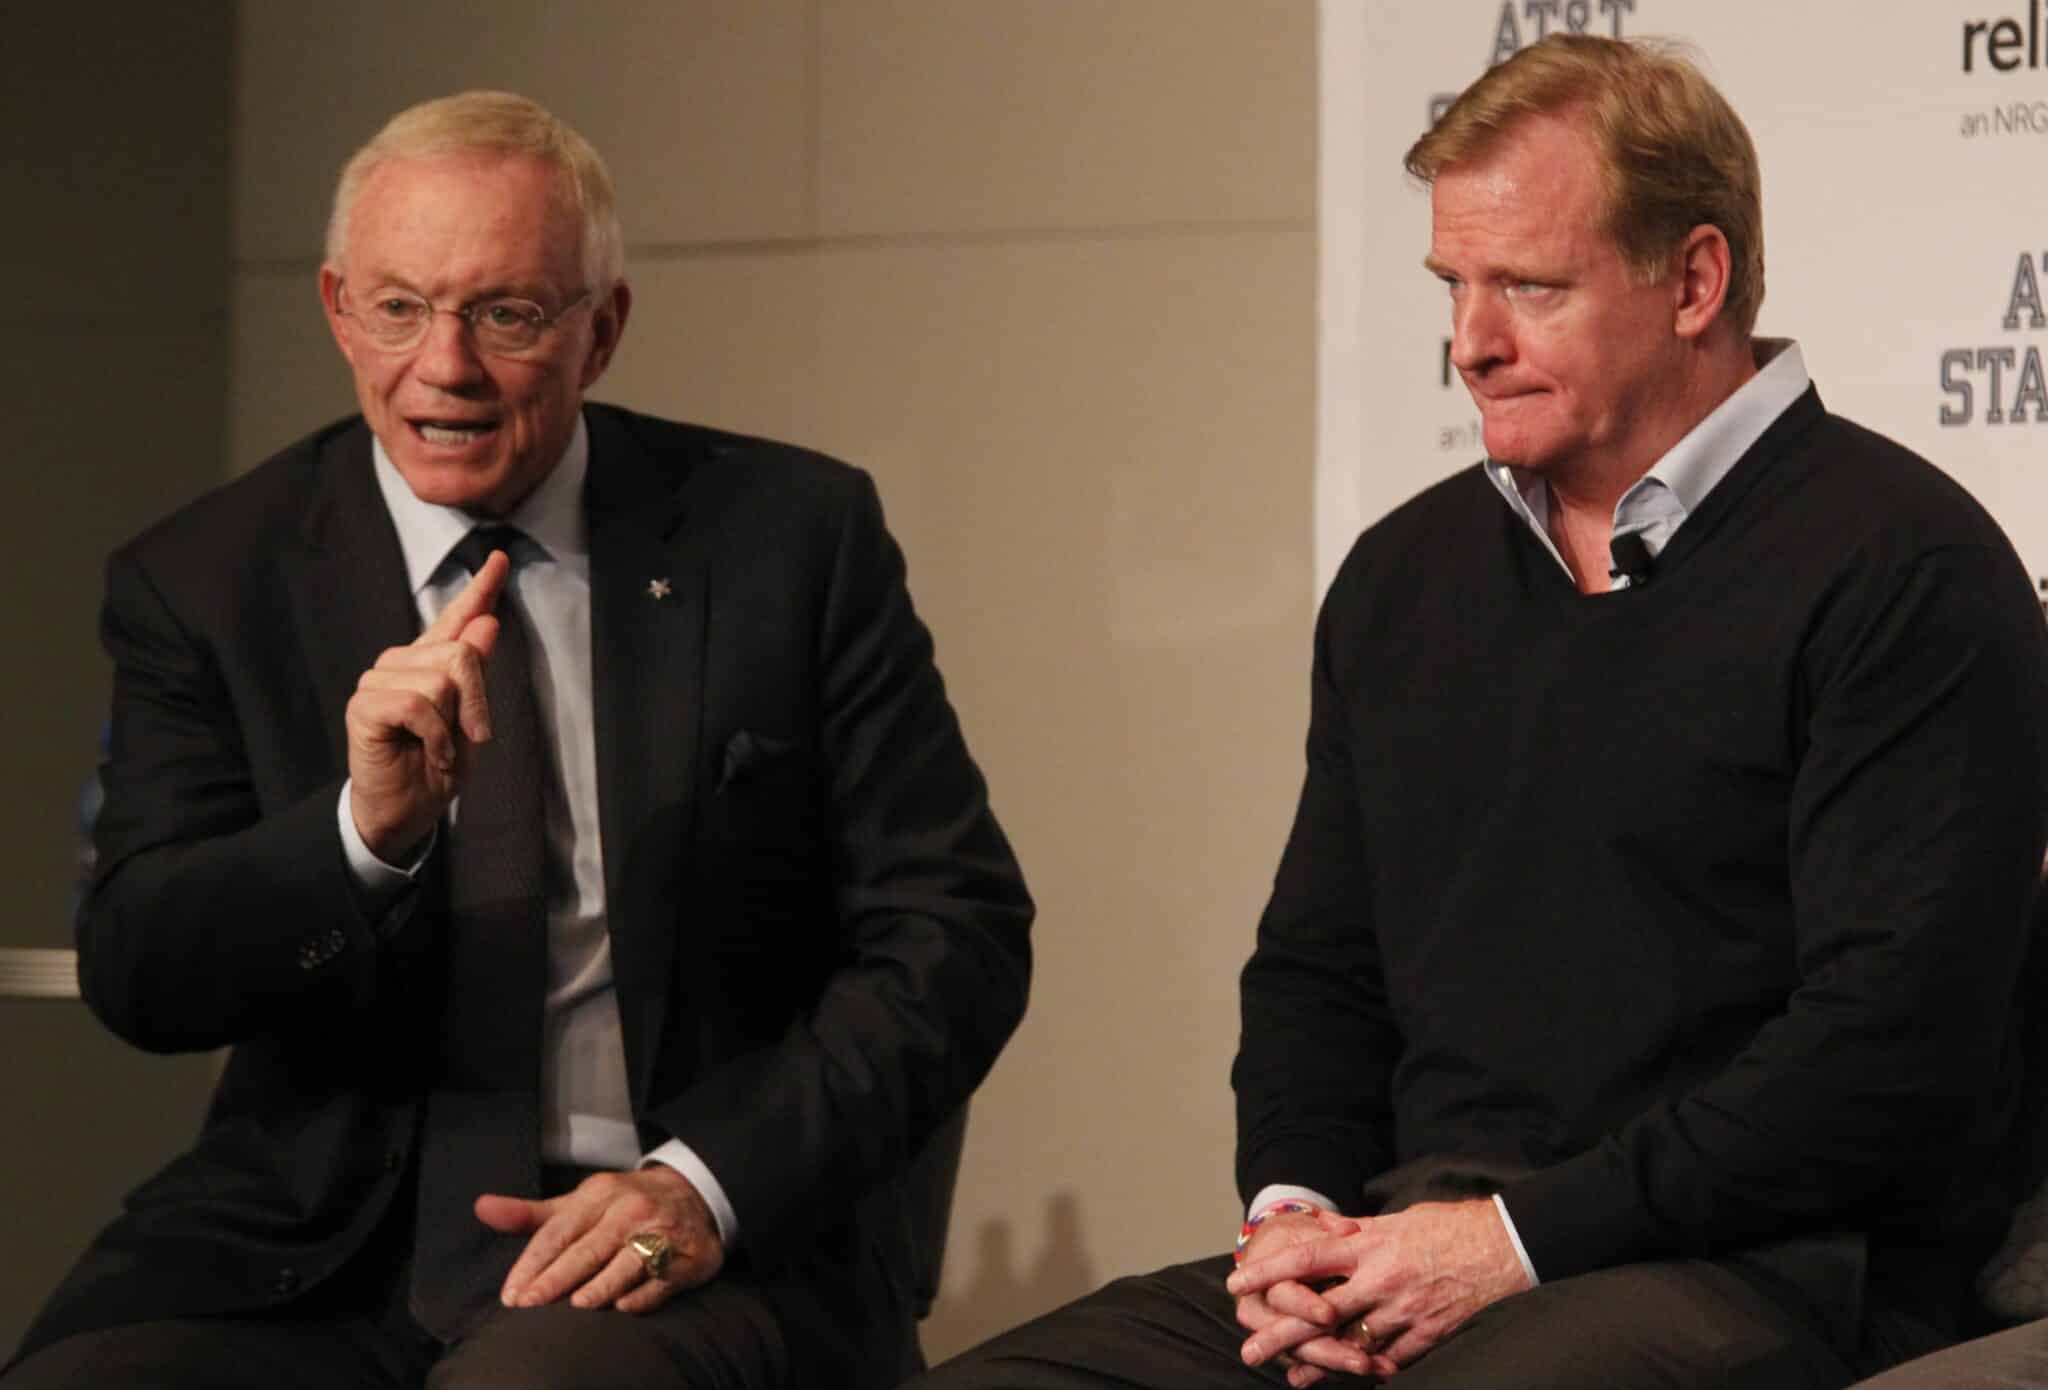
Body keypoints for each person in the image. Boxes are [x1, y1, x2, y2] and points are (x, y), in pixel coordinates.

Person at [907, 33, 2048, 1390]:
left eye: (1528, 288)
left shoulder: (1903, 569)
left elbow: (1879, 1059)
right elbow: (1318, 975)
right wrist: (1293, 1223)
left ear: (1694, 279)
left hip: (1765, 1262)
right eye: (1454, 285)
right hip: (1415, 1241)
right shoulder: (1404, 578)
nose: (1471, 344)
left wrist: (1509, 1239)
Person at [4, 90, 1032, 1390]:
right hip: (319, 1245)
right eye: (398, 307)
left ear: (601, 328)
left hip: (683, 1229)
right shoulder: (209, 578)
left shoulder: (787, 536)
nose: (446, 365)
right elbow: (141, 965)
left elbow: (957, 929)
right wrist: (359, 839)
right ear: (335, 307)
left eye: (507, 312)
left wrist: (706, 1183)